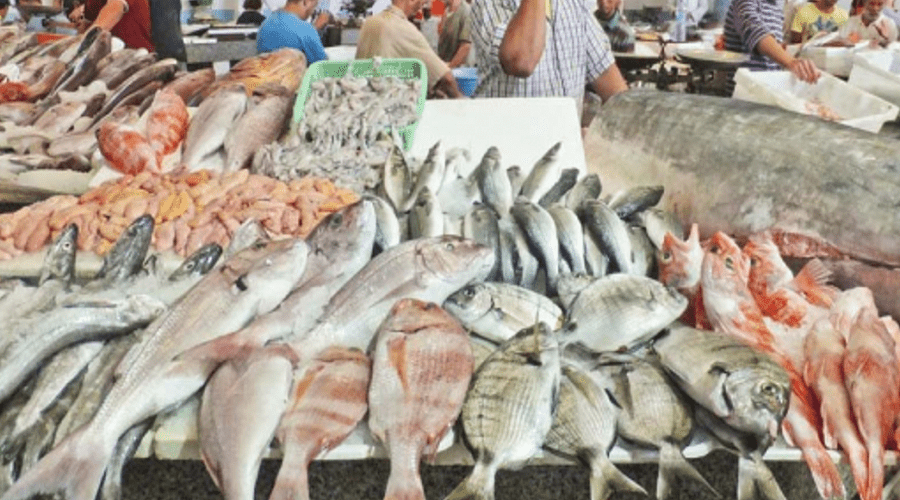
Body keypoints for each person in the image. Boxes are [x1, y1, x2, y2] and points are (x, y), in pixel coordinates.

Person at [469, 0, 628, 105]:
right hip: (506, 142)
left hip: (563, 142)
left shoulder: (572, 4)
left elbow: (608, 78)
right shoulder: (490, 2)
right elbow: (521, 62)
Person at [356, 0, 464, 97]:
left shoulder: (369, 23)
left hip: (362, 100)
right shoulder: (403, 28)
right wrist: (461, 100)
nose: (424, 3)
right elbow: (447, 79)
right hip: (388, 103)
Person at [723, 0, 819, 92]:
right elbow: (756, 33)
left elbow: (774, 47)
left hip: (767, 89)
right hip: (744, 91)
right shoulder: (744, 2)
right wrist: (791, 62)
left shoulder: (776, 7)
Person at [256, 0, 327, 63]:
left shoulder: (265, 24)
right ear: (306, 2)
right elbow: (323, 67)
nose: (312, 12)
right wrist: (315, 28)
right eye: (314, 6)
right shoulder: (305, 29)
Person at [69, 0, 153, 50]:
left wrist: (79, 46)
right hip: (107, 56)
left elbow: (116, 8)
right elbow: (86, 25)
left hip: (136, 58)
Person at [438, 0, 473, 66]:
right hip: (443, 66)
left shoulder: (466, 11)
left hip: (457, 69)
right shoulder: (446, 10)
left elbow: (465, 46)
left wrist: (449, 68)